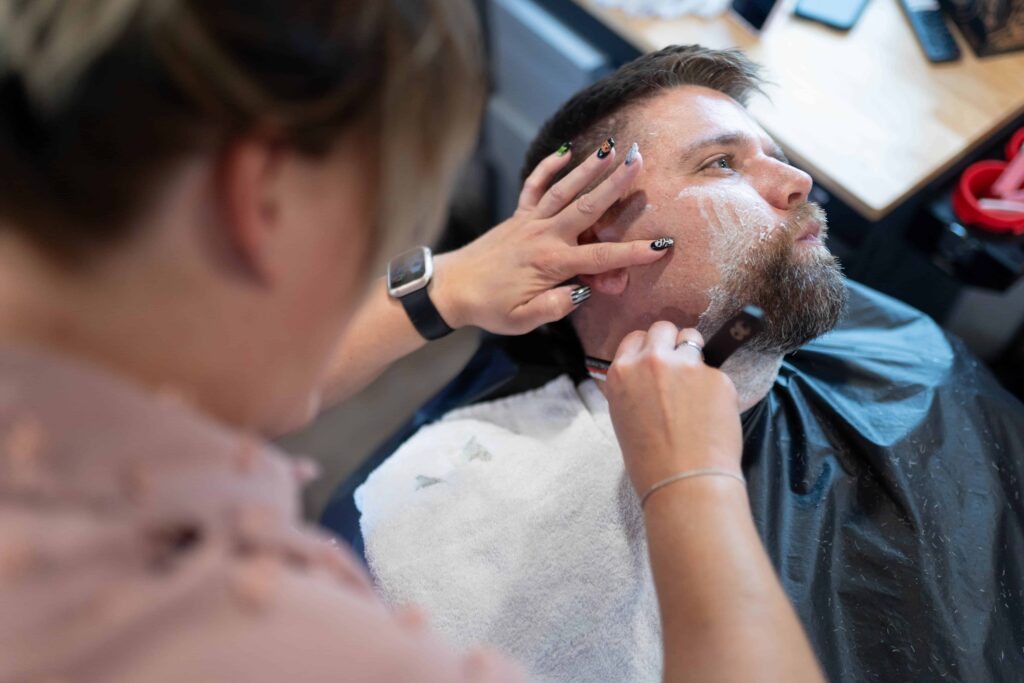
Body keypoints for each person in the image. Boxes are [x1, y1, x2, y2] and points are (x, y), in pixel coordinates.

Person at [0, 3, 823, 682]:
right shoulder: (265, 643)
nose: (797, 184)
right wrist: (692, 481)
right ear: (264, 199)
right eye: (719, 164)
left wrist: (447, 284)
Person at [356, 45, 1024, 682]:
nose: (799, 182)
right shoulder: (462, 524)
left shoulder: (902, 350)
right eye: (720, 164)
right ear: (595, 241)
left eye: (778, 157)